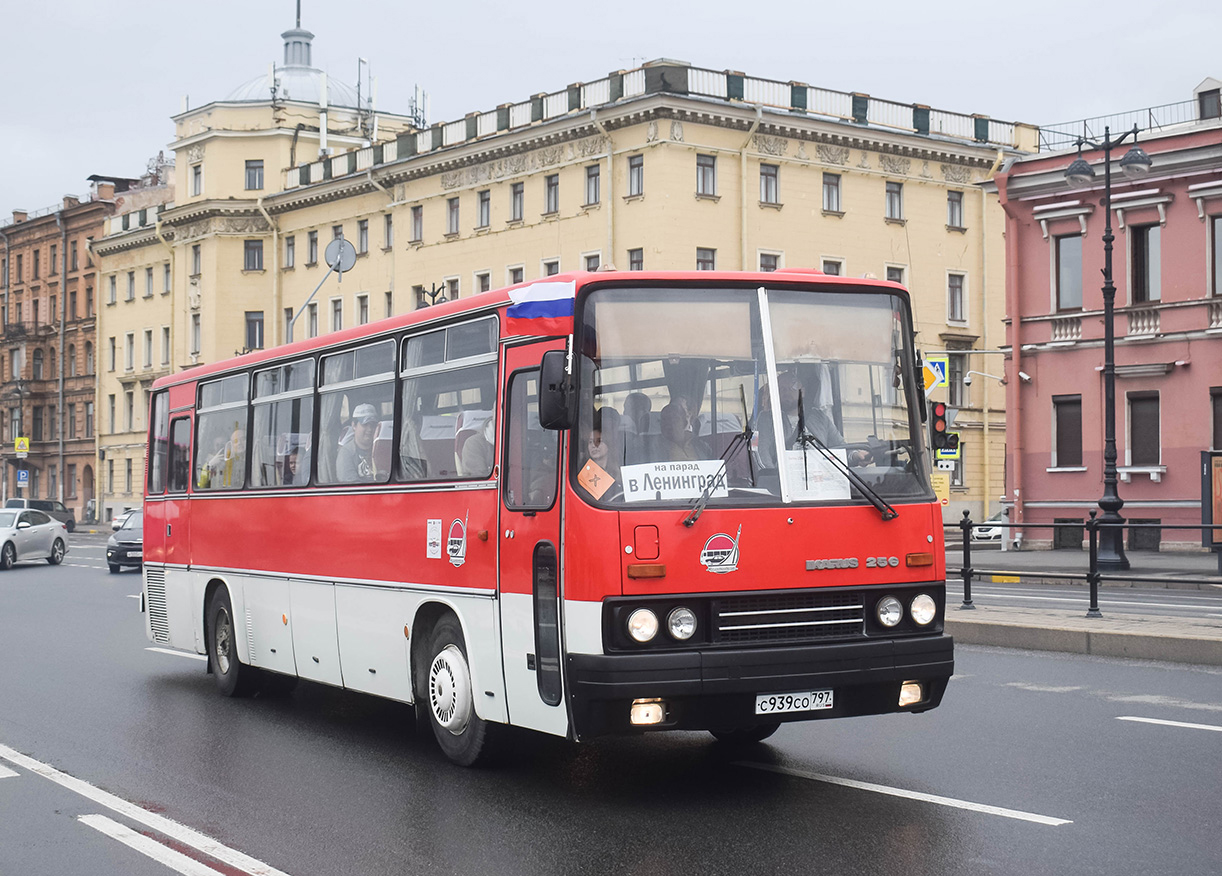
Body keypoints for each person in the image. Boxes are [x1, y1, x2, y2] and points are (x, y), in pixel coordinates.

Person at [757, 370, 870, 468]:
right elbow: (763, 454)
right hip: (787, 484)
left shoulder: (819, 417)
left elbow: (839, 448)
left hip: (821, 479)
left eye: (792, 387)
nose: (786, 392)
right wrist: (775, 479)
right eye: (781, 389)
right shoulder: (767, 419)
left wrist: (856, 456)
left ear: (803, 391)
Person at [337, 403, 380, 482]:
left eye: (373, 425)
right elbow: (350, 485)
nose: (370, 429)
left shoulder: (380, 450)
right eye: (365, 424)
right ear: (354, 425)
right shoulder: (346, 453)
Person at [586, 406, 623, 480]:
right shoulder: (582, 474)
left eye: (599, 441)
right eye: (590, 442)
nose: (593, 445)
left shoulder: (620, 469)